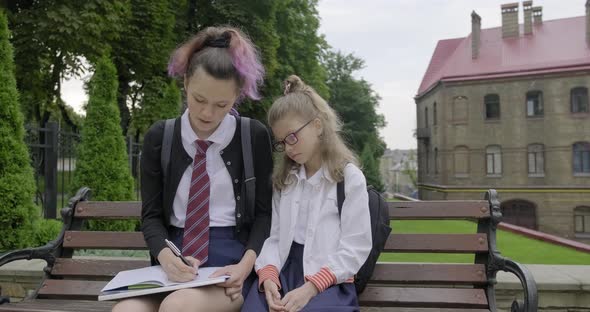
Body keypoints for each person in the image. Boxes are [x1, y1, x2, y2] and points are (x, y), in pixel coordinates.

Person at [112, 26, 273, 312]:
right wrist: (164, 256)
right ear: (185, 82)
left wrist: (246, 265)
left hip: (231, 267)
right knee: (127, 310)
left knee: (177, 307)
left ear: (237, 95)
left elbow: (264, 215)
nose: (207, 114)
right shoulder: (160, 138)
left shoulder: (254, 136)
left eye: (222, 104)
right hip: (173, 261)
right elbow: (150, 216)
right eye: (199, 99)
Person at [242, 75, 372, 312]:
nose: (288, 148)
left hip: (329, 279)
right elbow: (274, 237)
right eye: (282, 142)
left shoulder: (348, 179)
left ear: (317, 126)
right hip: (284, 271)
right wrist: (269, 277)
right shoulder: (286, 181)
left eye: (292, 137)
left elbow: (355, 247)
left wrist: (311, 288)